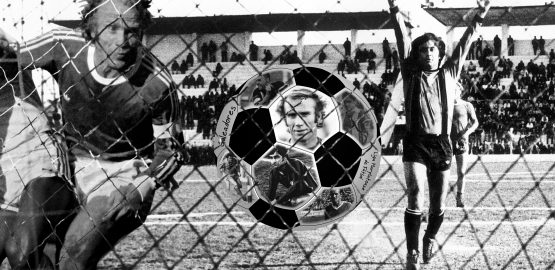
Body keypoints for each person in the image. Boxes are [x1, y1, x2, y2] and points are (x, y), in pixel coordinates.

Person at [0, 0, 187, 268]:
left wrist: (150, 179)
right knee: (29, 249)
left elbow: (172, 149)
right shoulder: (63, 47)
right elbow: (12, 54)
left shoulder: (157, 84)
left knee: (72, 257)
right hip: (71, 168)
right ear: (91, 29)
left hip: (124, 174)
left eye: (132, 31)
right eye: (112, 28)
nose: (123, 40)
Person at [388, 0, 490, 269]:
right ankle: (411, 254)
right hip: (415, 143)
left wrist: (481, 13)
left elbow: (468, 39)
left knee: (438, 205)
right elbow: (401, 36)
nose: (429, 53)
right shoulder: (410, 73)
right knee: (415, 192)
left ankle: (429, 238)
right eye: (424, 50)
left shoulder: (450, 72)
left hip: (442, 144)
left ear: (440, 52)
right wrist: (393, 9)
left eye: (433, 49)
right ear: (417, 54)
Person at [0, 46, 76, 269]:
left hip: (42, 164)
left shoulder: (10, 67)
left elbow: (9, 47)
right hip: (6, 180)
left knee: (21, 253)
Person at [451, 83, 479, 208]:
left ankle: (459, 198)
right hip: (446, 142)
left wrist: (467, 132)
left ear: (460, 91)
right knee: (442, 172)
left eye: (455, 89)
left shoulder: (467, 105)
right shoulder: (444, 105)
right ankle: (439, 199)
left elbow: (475, 122)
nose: (453, 91)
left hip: (461, 141)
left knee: (461, 172)